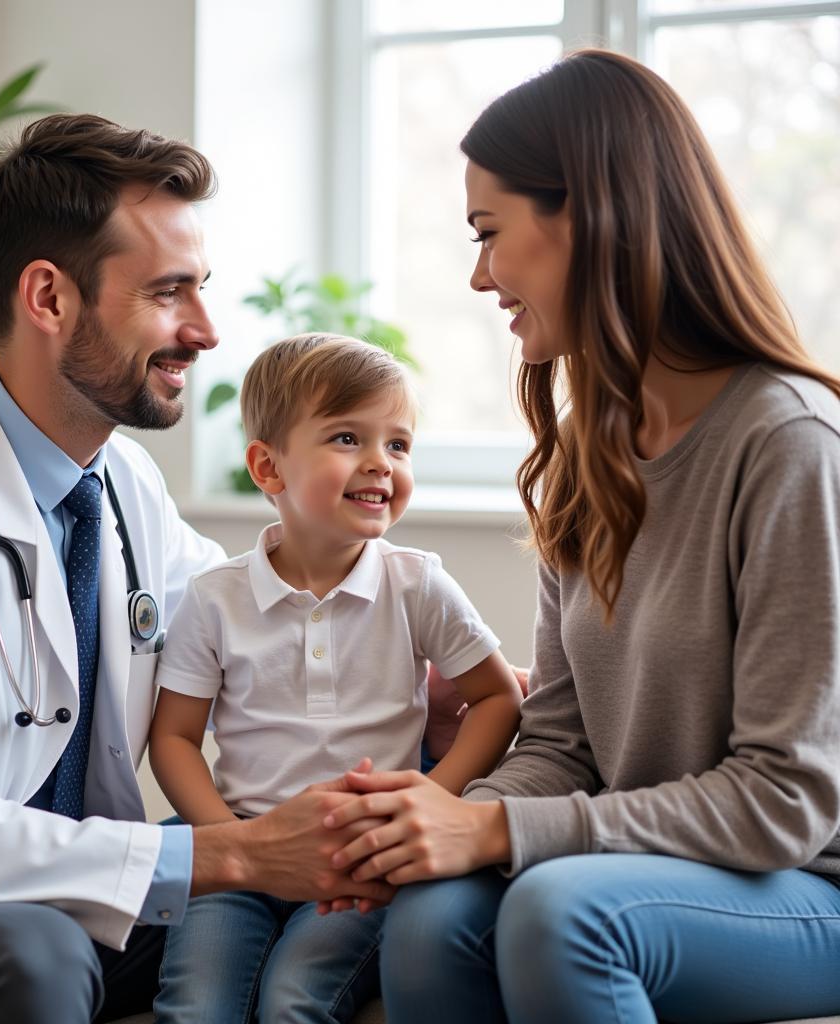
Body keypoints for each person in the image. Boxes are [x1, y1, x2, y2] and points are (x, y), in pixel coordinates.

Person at [0, 114, 391, 1024]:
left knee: (350, 872)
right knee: (36, 946)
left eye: (200, 290)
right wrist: (236, 853)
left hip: (83, 877)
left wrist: (421, 670)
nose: (204, 331)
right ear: (48, 298)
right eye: (169, 294)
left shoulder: (122, 481)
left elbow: (247, 617)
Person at [320, 49, 840, 1023]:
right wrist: (433, 819)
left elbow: (785, 798)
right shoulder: (584, 453)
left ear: (590, 218)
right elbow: (561, 738)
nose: (477, 275)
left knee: (564, 916)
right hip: (643, 862)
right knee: (429, 915)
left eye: (489, 232)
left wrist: (498, 828)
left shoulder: (789, 441)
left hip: (807, 884)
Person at [148, 333, 523, 1023]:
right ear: (269, 468)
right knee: (197, 1008)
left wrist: (429, 803)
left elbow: (499, 698)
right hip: (240, 858)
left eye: (400, 445)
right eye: (349, 437)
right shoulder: (215, 597)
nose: (381, 463)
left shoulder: (419, 585)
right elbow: (172, 737)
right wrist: (228, 841)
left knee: (295, 1001)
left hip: (364, 861)